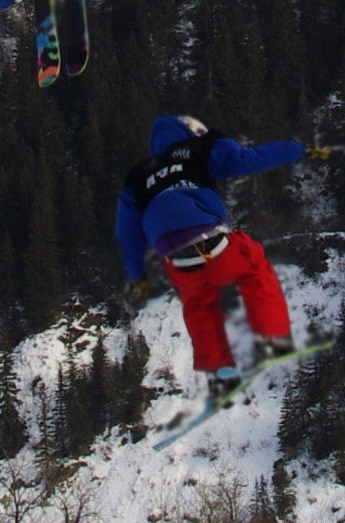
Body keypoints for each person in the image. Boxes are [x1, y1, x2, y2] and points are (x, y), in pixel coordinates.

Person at [114, 117, 311, 414]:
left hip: (177, 258)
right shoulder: (198, 150)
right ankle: (272, 339)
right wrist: (299, 150)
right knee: (254, 269)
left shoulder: (137, 178)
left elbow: (129, 235)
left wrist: (137, 277)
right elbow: (252, 159)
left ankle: (219, 371)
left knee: (198, 304)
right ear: (191, 133)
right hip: (214, 242)